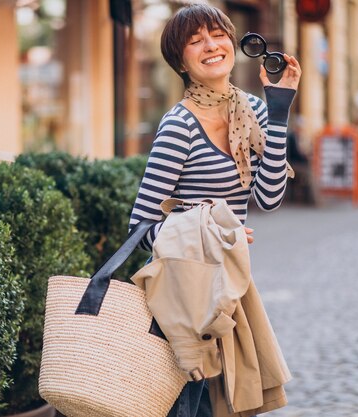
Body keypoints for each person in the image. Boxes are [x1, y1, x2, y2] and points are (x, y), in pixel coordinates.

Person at [127, 4, 301, 417]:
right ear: (181, 62)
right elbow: (140, 226)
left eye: (218, 34)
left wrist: (278, 110)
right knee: (192, 406)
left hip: (229, 290)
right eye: (194, 41)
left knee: (223, 405)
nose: (211, 46)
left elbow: (270, 197)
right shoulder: (179, 125)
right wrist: (211, 231)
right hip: (183, 295)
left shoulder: (252, 111)